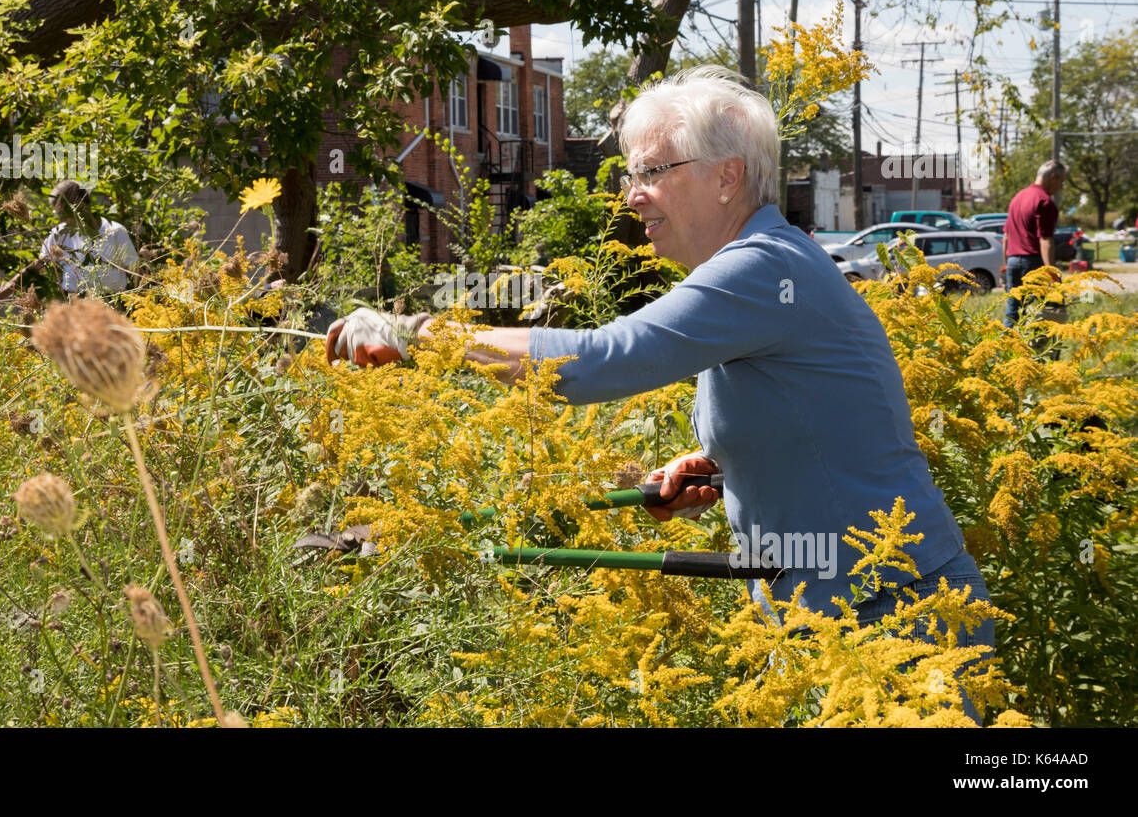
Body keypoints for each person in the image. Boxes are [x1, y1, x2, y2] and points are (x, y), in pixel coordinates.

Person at [325, 66, 994, 722]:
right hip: (824, 619)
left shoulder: (763, 267)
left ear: (726, 176)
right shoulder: (760, 263)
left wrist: (417, 333)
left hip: (896, 622)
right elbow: (814, 417)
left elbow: (599, 360)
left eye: (652, 173)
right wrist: (723, 467)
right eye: (630, 175)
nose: (631, 195)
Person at [38, 180, 139, 297]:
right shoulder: (59, 233)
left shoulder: (114, 231)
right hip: (75, 303)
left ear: (80, 205)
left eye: (65, 213)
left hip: (112, 302)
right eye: (59, 214)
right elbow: (42, 263)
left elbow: (134, 270)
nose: (62, 220)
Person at [1001, 161, 1065, 329]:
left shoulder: (1017, 197)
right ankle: (1035, 352)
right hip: (1033, 264)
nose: (1061, 187)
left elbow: (1006, 237)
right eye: (1061, 181)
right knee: (1041, 314)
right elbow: (1045, 240)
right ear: (1052, 177)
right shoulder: (1045, 202)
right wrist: (1053, 274)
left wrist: (1006, 266)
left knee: (1012, 313)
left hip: (1013, 261)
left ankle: (1002, 352)